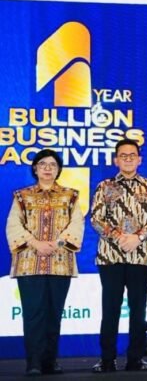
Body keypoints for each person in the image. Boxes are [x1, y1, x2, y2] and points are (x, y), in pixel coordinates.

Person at [6, 149, 84, 376]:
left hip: (60, 262)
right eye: (43, 164)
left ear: (58, 170)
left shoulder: (71, 196)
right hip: (29, 263)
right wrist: (35, 243)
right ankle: (34, 363)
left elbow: (76, 224)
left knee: (54, 313)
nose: (48, 168)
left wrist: (57, 243)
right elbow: (13, 225)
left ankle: (50, 361)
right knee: (33, 314)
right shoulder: (22, 196)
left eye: (52, 165)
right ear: (35, 168)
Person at [90, 138, 147, 372]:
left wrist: (138, 238)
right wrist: (119, 238)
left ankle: (135, 359)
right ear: (116, 160)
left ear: (140, 159)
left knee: (138, 308)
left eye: (132, 155)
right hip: (110, 257)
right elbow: (96, 218)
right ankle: (107, 359)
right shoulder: (105, 186)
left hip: (141, 257)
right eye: (123, 155)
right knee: (110, 309)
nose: (128, 159)